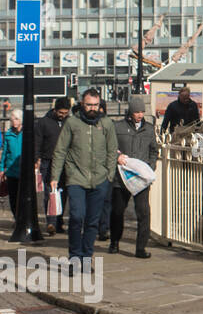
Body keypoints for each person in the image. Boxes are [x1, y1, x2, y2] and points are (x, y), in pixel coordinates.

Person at [50, 89, 117, 272]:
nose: (92, 108)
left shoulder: (107, 124)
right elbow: (60, 151)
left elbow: (113, 151)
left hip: (100, 180)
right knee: (76, 217)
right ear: (81, 104)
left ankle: (87, 259)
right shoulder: (72, 123)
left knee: (92, 221)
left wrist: (109, 175)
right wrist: (55, 177)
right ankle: (74, 258)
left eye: (95, 105)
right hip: (76, 178)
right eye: (89, 105)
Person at [110, 96, 158, 258]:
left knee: (143, 213)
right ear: (130, 112)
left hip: (141, 178)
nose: (139, 114)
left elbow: (154, 150)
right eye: (136, 111)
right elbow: (110, 146)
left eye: (142, 111)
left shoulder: (149, 129)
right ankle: (114, 242)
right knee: (117, 211)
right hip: (121, 177)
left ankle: (140, 248)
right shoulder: (118, 127)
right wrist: (117, 157)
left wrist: (150, 167)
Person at [35, 97, 72, 234]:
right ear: (55, 110)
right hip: (48, 160)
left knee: (63, 193)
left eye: (65, 113)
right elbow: (37, 142)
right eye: (60, 113)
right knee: (50, 193)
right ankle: (51, 222)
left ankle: (59, 220)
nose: (63, 115)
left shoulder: (70, 122)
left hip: (65, 161)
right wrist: (37, 159)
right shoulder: (44, 122)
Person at [2, 112, 22, 220]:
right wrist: (1, 169)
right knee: (13, 198)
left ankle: (22, 218)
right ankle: (17, 218)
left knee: (22, 197)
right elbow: (4, 153)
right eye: (12, 119)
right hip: (11, 171)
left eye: (17, 119)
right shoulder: (8, 135)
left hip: (23, 172)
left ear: (21, 120)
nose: (14, 121)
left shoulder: (27, 134)